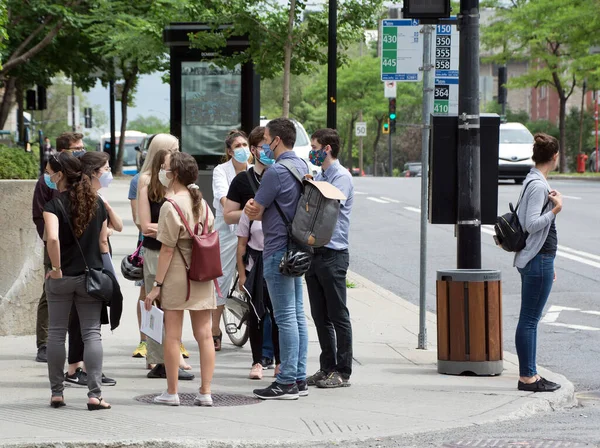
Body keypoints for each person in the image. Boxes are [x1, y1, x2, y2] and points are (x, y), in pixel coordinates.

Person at [145, 151, 216, 406]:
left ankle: (172, 392)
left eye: (165, 168)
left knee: (173, 335)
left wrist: (156, 286)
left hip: (176, 275)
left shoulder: (170, 205)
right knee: (205, 335)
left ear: (173, 175)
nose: (162, 171)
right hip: (202, 274)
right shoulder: (203, 203)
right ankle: (205, 392)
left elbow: (166, 248)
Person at [245, 118, 309, 400]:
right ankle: (299, 376)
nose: (264, 145)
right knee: (296, 315)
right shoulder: (302, 167)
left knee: (284, 318)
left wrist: (253, 207)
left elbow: (254, 210)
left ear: (277, 141)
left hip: (277, 250)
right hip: (297, 250)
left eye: (266, 139)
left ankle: (285, 383)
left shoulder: (275, 172)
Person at [42, 151, 111, 410]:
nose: (47, 177)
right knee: (92, 333)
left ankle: (57, 393)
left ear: (60, 175)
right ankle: (95, 395)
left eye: (50, 172)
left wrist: (57, 268)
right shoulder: (97, 202)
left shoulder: (53, 206)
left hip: (61, 278)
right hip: (90, 278)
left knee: (57, 334)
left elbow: (53, 238)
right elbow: (104, 241)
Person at [137, 135, 193, 379]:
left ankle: (170, 356)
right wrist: (168, 228)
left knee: (173, 306)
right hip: (155, 250)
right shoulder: (147, 181)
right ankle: (159, 359)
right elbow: (143, 225)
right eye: (174, 151)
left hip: (177, 252)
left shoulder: (182, 186)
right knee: (155, 305)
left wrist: (165, 228)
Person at [228, 126, 280, 379]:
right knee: (256, 312)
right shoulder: (242, 181)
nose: (268, 151)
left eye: (271, 145)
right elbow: (229, 215)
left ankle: (279, 361)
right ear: (253, 149)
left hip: (277, 254)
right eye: (263, 146)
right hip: (254, 257)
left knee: (279, 311)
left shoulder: (280, 175)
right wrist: (252, 212)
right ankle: (258, 360)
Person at [305, 129, 354, 389]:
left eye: (314, 146)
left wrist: (310, 190)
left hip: (333, 254)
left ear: (326, 148)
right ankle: (327, 368)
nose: (311, 150)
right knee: (319, 314)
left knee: (338, 315)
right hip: (315, 252)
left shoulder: (341, 177)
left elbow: (327, 207)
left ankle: (343, 372)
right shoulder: (321, 175)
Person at [514, 133, 563, 393]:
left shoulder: (534, 180)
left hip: (539, 260)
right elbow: (532, 225)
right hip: (537, 259)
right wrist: (556, 209)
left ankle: (530, 375)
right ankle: (528, 378)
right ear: (554, 157)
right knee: (530, 320)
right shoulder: (537, 185)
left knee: (530, 319)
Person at [32, 132, 83, 363]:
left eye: (82, 147)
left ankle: (74, 347)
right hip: (54, 243)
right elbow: (39, 215)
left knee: (78, 296)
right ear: (63, 151)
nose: (81, 151)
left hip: (78, 244)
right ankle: (44, 344)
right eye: (76, 148)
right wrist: (51, 239)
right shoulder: (46, 181)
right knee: (49, 292)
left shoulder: (81, 176)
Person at [211, 130, 252, 351]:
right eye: (237, 145)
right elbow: (223, 198)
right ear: (229, 151)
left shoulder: (255, 171)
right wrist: (243, 209)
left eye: (245, 144)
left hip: (251, 230)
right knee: (222, 278)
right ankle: (215, 329)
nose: (243, 149)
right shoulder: (221, 171)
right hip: (227, 231)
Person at [128, 170, 148, 358]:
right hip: (147, 244)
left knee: (172, 296)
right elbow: (139, 221)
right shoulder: (139, 180)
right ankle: (144, 340)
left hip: (174, 242)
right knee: (146, 292)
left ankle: (175, 341)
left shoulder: (176, 175)